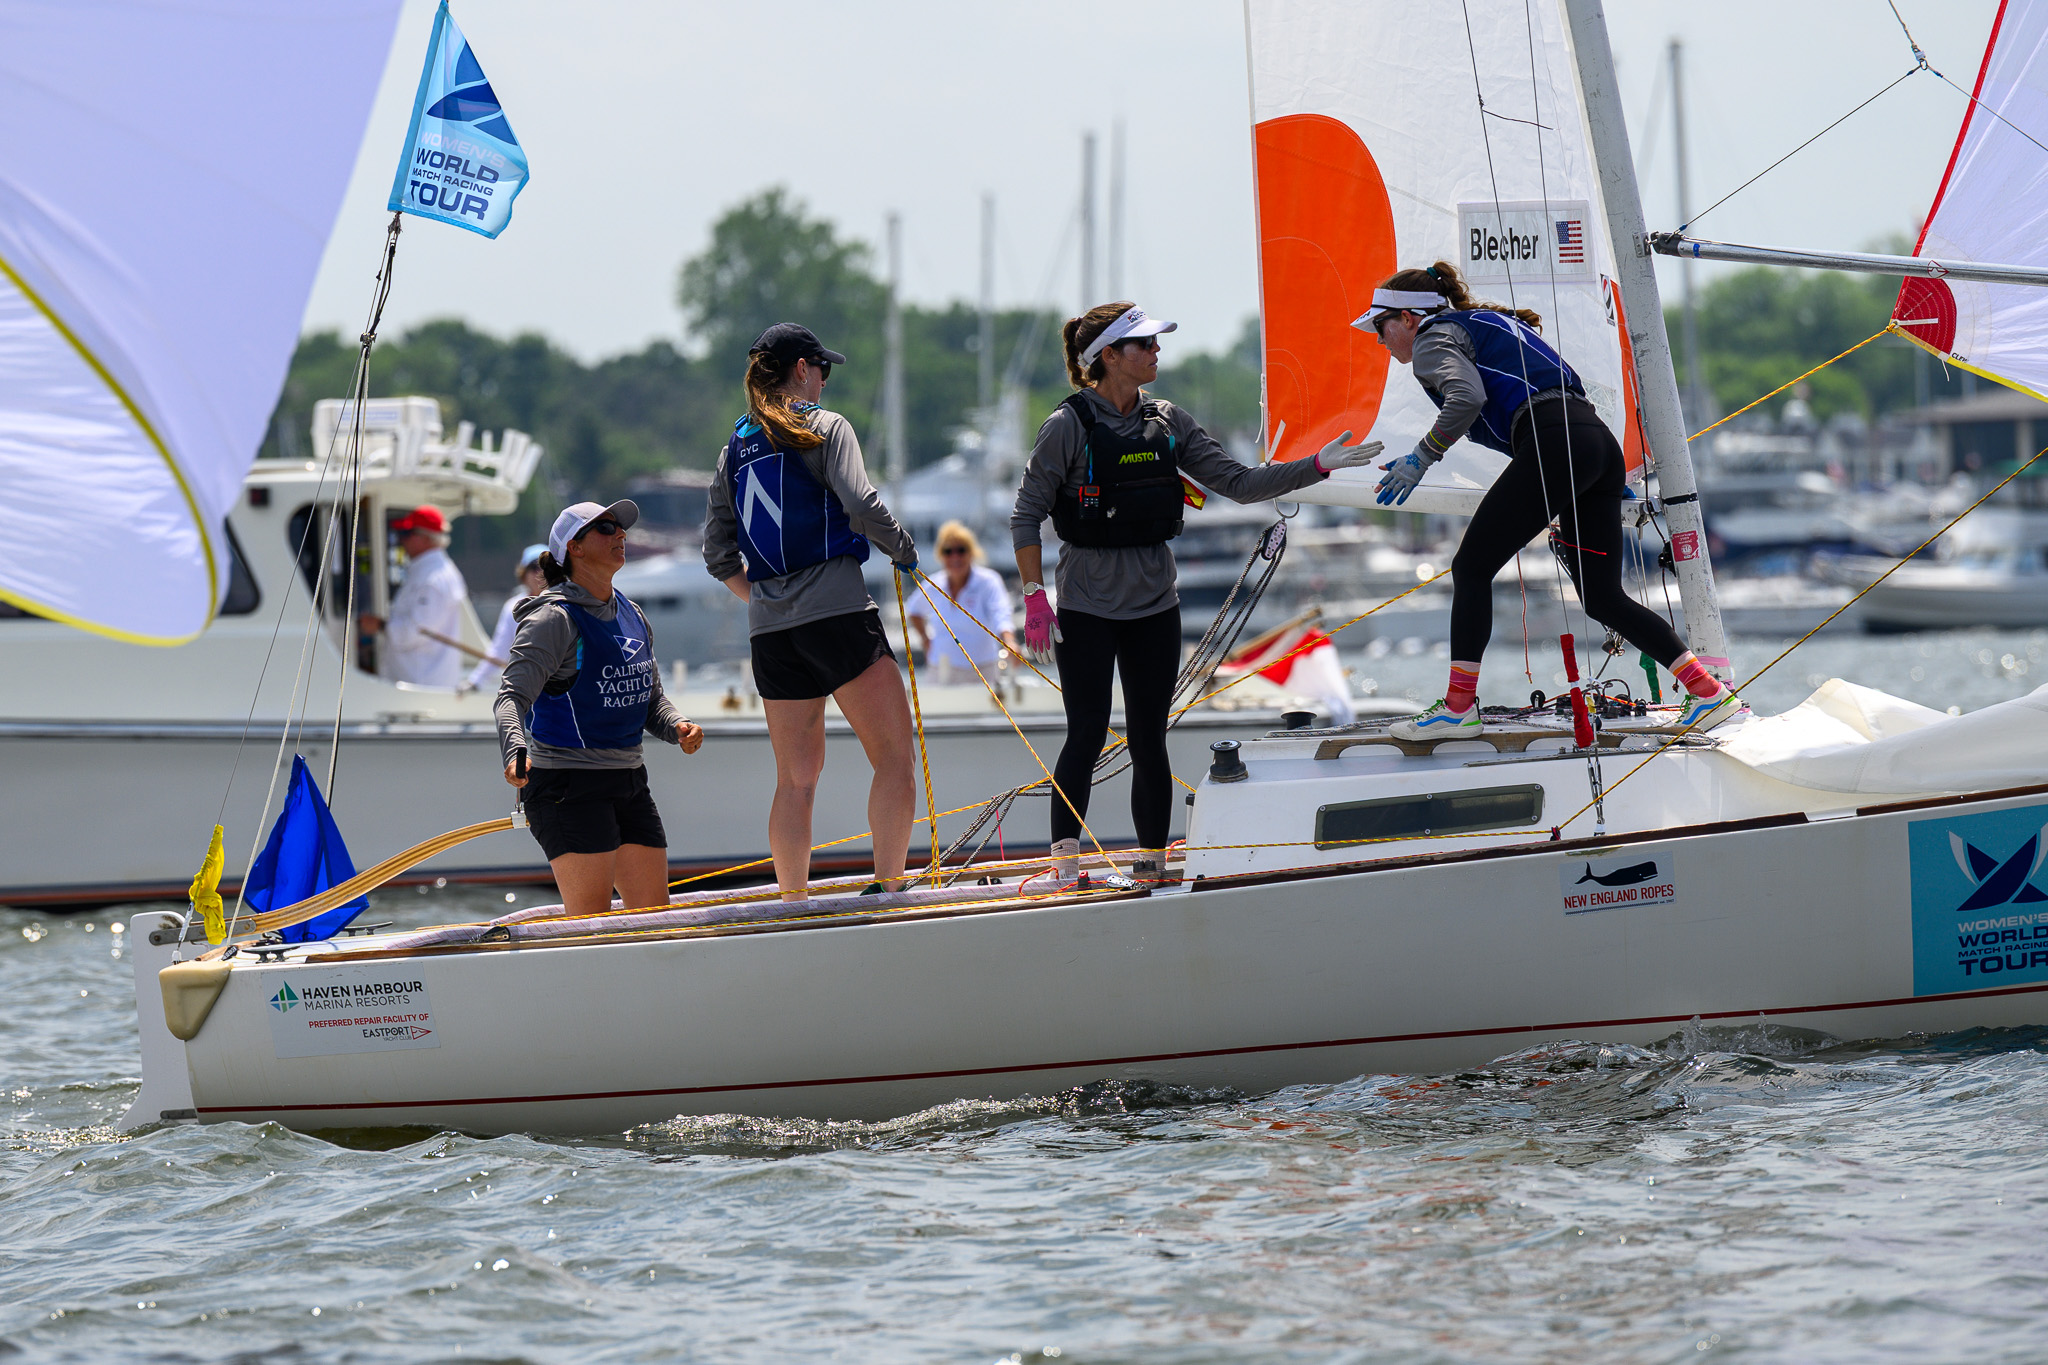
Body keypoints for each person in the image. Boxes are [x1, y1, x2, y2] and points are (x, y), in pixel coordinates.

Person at [1012, 301, 1382, 888]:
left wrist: (1317, 465)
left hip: (1155, 605)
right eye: (1145, 345)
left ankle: (1151, 866)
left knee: (1148, 737)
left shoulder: (1168, 421)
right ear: (1109, 356)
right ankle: (1066, 867)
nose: (1157, 353)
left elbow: (1238, 483)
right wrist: (1035, 596)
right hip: (1084, 605)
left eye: (1157, 344)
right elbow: (1025, 515)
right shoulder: (1067, 427)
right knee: (1085, 732)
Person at [1361, 261, 1744, 738]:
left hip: (1558, 444)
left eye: (1382, 326)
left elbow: (1466, 399)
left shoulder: (1431, 338)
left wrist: (1423, 456)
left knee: (1471, 568)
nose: (1380, 339)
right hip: (1594, 444)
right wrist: (1588, 477)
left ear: (1411, 318)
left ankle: (1458, 709)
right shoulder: (1493, 322)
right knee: (1602, 597)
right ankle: (1710, 695)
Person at [703, 323, 920, 900]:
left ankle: (794, 901)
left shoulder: (733, 451)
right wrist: (903, 550)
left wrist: (767, 603)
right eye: (822, 368)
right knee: (896, 758)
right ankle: (890, 889)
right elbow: (859, 502)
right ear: (803, 369)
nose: (825, 380)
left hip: (771, 633)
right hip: (839, 614)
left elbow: (716, 554)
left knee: (795, 780)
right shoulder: (826, 427)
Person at [496, 500, 704, 917]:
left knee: (654, 922)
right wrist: (515, 748)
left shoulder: (632, 613)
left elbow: (651, 699)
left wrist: (677, 725)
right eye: (606, 528)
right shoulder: (553, 620)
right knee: (591, 925)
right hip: (567, 786)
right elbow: (510, 697)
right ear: (573, 547)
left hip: (628, 781)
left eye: (621, 528)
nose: (621, 535)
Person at [361, 505, 469, 686]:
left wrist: (378, 625)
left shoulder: (433, 579)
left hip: (421, 687)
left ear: (425, 538)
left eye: (406, 533)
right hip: (420, 684)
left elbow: (415, 632)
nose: (400, 540)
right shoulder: (433, 572)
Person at [905, 521, 1015, 685]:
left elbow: (1001, 613)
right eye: (948, 551)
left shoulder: (988, 581)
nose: (955, 556)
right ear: (941, 555)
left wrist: (1010, 642)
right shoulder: (934, 584)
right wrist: (925, 640)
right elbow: (913, 610)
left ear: (971, 553)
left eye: (961, 550)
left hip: (983, 669)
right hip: (941, 669)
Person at [465, 542, 546, 693]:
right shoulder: (513, 607)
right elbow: (498, 650)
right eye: (534, 567)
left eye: (546, 567)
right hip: (527, 689)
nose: (540, 572)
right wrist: (475, 682)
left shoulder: (566, 604)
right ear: (524, 573)